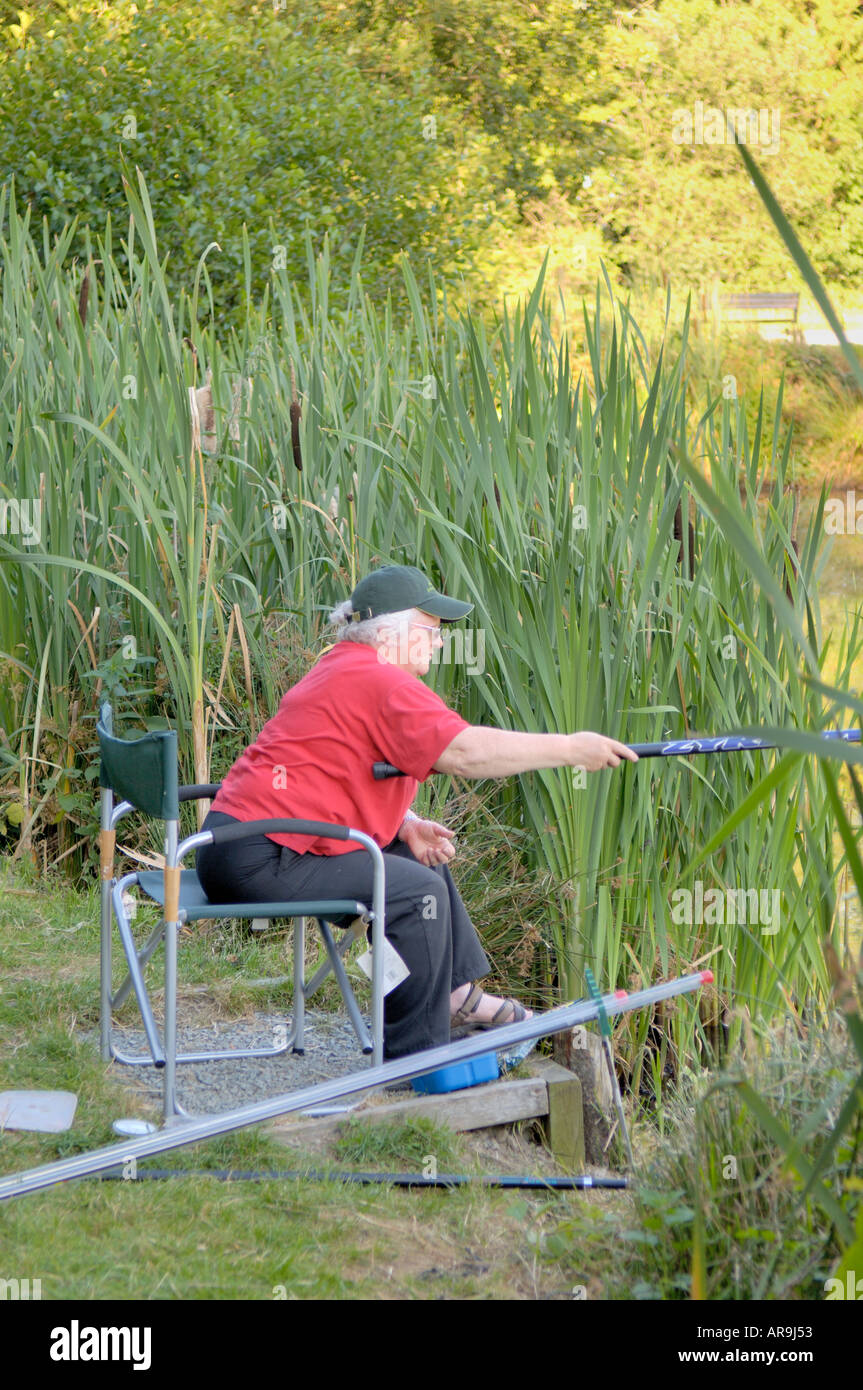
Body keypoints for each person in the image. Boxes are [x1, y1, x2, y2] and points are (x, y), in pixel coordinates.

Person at [196, 564, 637, 1059]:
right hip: (260, 855)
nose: (441, 642)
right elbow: (467, 753)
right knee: (415, 893)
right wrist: (572, 748)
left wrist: (403, 824)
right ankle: (415, 1057)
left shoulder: (343, 667)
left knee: (415, 864)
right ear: (390, 634)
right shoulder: (378, 679)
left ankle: (459, 1000)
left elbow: (328, 771)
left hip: (243, 843)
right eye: (432, 630)